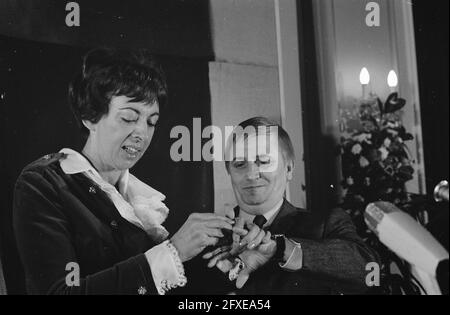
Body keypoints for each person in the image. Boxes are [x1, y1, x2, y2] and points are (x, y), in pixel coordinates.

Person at [13, 48, 236, 295]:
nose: (142, 133)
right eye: (129, 118)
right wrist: (173, 250)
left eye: (151, 122)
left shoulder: (139, 197)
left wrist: (234, 263)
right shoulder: (44, 183)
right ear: (90, 116)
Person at [205, 117, 380, 294]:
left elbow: (370, 271)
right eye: (240, 164)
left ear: (288, 169)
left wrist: (281, 248)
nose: (251, 174)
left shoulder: (325, 225)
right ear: (229, 171)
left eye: (264, 161)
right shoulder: (207, 235)